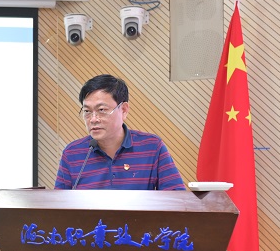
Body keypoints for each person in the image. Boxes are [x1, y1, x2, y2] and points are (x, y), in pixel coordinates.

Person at [55, 74, 185, 190]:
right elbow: (58, 205)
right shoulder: (72, 154)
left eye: (101, 110)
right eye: (87, 111)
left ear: (123, 110)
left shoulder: (152, 147)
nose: (93, 119)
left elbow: (176, 199)